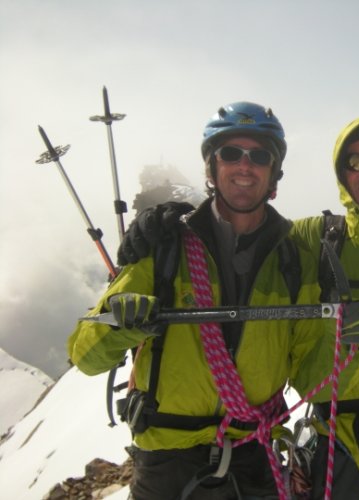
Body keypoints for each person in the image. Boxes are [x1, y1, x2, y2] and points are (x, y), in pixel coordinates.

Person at [117, 116, 359, 499]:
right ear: (342, 172)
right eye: (356, 162)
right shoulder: (316, 239)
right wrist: (166, 219)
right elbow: (247, 226)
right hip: (337, 439)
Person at [69, 102, 334, 500]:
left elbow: (313, 361)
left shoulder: (291, 258)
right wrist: (121, 322)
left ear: (274, 176)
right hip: (167, 459)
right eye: (230, 153)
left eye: (259, 156)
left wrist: (355, 409)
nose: (245, 166)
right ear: (211, 169)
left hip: (253, 455)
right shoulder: (164, 248)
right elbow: (85, 355)